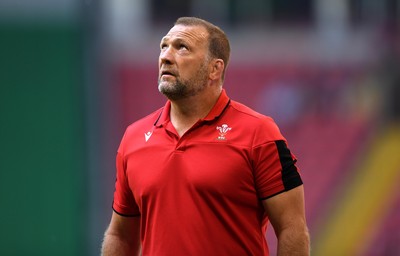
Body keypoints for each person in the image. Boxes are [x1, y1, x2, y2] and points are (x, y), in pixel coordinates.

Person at [101, 17, 310, 256]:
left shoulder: (259, 134)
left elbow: (292, 229)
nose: (166, 57)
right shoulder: (133, 138)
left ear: (215, 68)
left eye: (182, 48)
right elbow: (120, 236)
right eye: (164, 46)